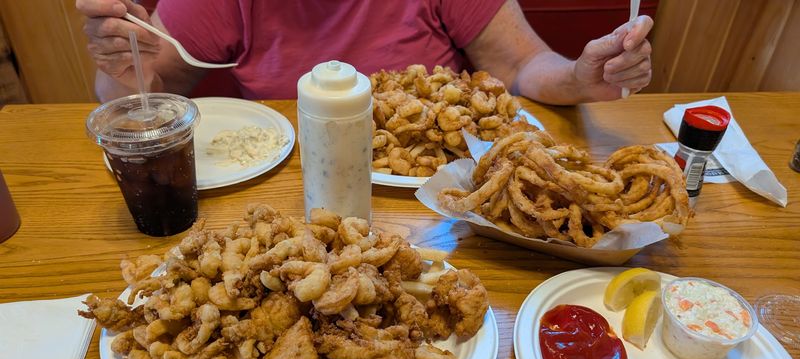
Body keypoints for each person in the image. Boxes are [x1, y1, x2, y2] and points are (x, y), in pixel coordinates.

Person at [77, 0, 654, 105]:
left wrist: (579, 77)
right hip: (287, 194)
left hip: (440, 200)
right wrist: (123, 67)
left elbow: (524, 66)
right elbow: (142, 95)